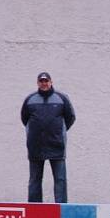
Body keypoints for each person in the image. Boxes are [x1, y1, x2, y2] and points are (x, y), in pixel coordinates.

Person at [20, 72, 76, 203]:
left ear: (51, 82)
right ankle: (34, 209)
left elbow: (70, 117)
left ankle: (61, 208)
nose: (44, 84)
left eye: (46, 81)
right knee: (34, 180)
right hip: (35, 146)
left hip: (57, 146)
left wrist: (58, 132)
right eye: (41, 81)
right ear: (38, 83)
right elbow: (25, 119)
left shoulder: (62, 98)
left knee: (60, 180)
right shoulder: (30, 99)